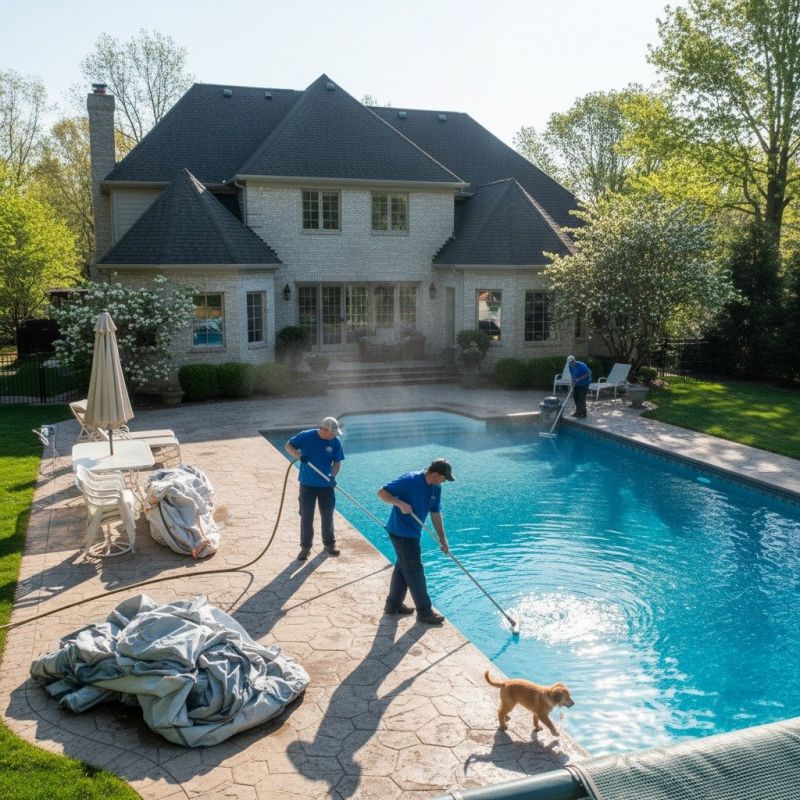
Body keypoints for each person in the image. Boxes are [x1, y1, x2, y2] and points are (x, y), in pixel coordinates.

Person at [377, 458, 454, 625]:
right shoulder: (410, 480)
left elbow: (435, 514)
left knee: (403, 567)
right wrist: (399, 503)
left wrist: (442, 538)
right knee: (415, 571)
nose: (444, 481)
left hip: (413, 532)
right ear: (435, 474)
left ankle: (393, 605)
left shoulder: (436, 488)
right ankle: (424, 612)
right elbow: (382, 493)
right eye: (443, 478)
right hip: (400, 531)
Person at [285, 416, 345, 560]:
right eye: (332, 432)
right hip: (307, 485)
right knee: (306, 517)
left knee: (327, 516)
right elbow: (288, 446)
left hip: (326, 486)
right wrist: (298, 456)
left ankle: (329, 544)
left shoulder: (335, 441)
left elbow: (337, 463)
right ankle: (305, 548)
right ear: (323, 429)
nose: (333, 435)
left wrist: (333, 476)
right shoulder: (306, 436)